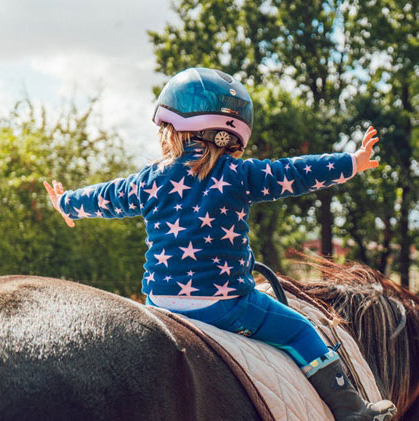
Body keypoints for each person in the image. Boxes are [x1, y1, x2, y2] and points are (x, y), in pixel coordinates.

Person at [44, 67, 396, 420]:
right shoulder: (240, 176)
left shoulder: (148, 181)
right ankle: (354, 412)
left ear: (171, 130)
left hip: (159, 303)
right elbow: (294, 173)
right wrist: (351, 162)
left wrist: (67, 203)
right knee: (301, 331)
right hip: (225, 305)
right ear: (233, 135)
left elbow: (107, 195)